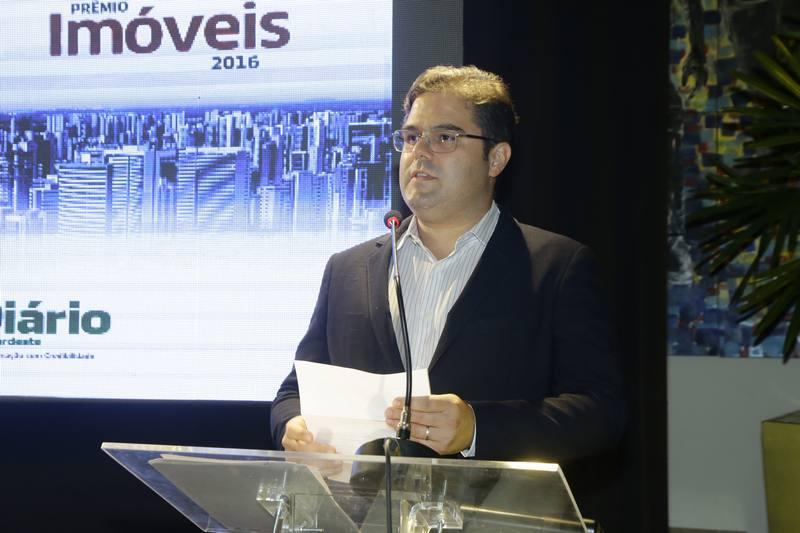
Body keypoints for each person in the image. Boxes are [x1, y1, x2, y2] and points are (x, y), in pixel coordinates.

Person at [270, 65, 625, 462]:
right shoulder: (348, 270)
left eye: (444, 138)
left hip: (492, 501)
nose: (420, 152)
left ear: (496, 158)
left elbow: (601, 413)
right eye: (411, 137)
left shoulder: (557, 266)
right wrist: (292, 426)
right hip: (362, 500)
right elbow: (294, 391)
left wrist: (477, 428)